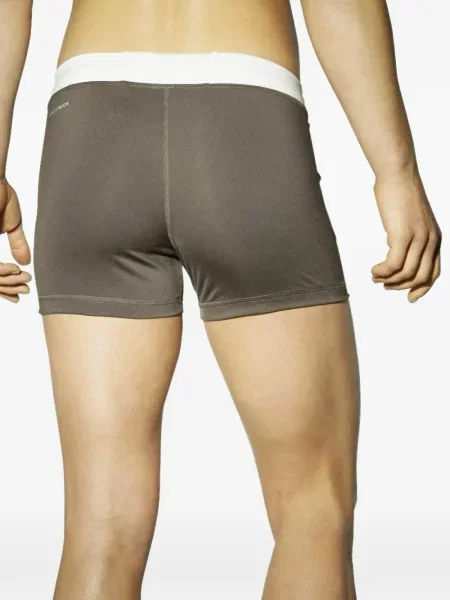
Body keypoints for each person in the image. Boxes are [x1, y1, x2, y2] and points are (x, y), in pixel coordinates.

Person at [0, 0, 441, 598]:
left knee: (99, 528)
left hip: (90, 126)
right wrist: (396, 170)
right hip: (242, 109)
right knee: (311, 511)